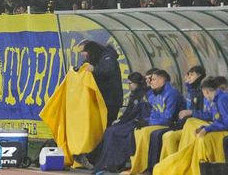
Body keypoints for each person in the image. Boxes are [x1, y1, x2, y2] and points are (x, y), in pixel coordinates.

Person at [75, 40, 123, 170]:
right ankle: (92, 157)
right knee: (96, 128)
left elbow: (106, 71)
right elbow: (87, 67)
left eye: (84, 52)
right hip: (102, 101)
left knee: (105, 129)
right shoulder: (96, 58)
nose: (83, 55)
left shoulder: (108, 57)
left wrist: (93, 69)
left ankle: (95, 158)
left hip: (111, 102)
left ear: (91, 50)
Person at [92, 71, 151, 174]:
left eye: (130, 83)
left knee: (114, 132)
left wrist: (126, 121)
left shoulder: (144, 95)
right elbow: (129, 111)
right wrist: (120, 119)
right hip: (130, 121)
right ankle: (104, 161)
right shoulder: (135, 95)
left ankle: (115, 162)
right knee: (110, 130)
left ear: (137, 83)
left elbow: (140, 113)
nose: (129, 86)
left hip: (137, 122)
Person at [129, 69, 183, 175]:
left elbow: (168, 118)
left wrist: (149, 123)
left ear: (163, 80)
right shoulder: (157, 93)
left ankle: (153, 167)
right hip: (160, 123)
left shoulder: (171, 94)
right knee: (138, 130)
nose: (150, 82)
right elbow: (154, 113)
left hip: (173, 125)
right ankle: (141, 166)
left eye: (153, 79)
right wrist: (146, 121)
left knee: (150, 133)